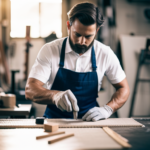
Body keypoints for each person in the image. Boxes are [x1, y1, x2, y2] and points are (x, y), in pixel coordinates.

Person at [25, 2, 130, 121]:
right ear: (69, 26)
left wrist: (108, 109)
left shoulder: (105, 53)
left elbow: (123, 88)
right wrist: (55, 96)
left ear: (97, 31)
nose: (81, 41)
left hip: (90, 122)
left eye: (88, 36)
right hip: (54, 121)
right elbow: (30, 90)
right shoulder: (50, 50)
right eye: (77, 34)